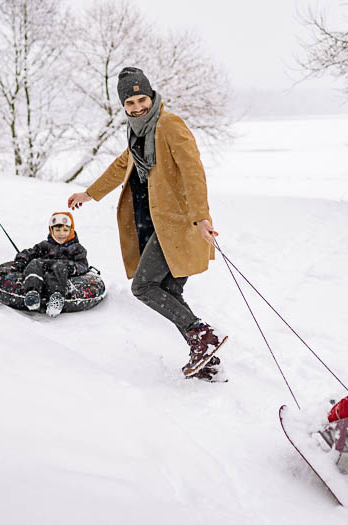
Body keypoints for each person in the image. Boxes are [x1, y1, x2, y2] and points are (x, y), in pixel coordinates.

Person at [67, 67, 227, 380]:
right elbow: (120, 167)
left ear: (151, 96)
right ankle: (206, 360)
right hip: (157, 225)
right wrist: (88, 194)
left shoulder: (168, 124)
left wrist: (201, 217)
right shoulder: (138, 132)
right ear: (123, 106)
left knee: (143, 287)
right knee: (167, 290)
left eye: (142, 99)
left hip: (179, 224)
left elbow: (193, 171)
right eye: (130, 102)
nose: (137, 106)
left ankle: (202, 335)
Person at [9, 211, 90, 318]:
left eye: (65, 230)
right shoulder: (45, 245)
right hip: (43, 271)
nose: (61, 234)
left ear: (71, 230)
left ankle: (56, 297)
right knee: (35, 262)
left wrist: (73, 268)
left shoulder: (76, 248)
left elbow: (83, 264)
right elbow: (29, 253)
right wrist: (21, 260)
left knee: (59, 266)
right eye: (57, 230)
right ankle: (33, 293)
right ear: (51, 230)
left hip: (61, 273)